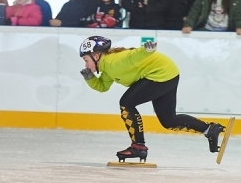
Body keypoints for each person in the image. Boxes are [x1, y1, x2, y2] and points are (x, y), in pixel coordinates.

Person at [78, 36, 229, 162]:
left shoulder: (113, 62)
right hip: (168, 74)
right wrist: (90, 78)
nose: (86, 64)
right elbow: (102, 87)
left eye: (86, 59)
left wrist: (146, 50)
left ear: (96, 56)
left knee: (126, 103)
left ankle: (138, 147)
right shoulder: (107, 68)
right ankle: (209, 129)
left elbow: (132, 56)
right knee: (169, 121)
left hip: (160, 74)